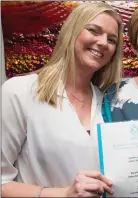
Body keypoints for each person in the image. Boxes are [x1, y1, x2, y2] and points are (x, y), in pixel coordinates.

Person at [1, 2, 123, 197]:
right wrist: (64, 194)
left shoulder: (109, 103)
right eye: (93, 30)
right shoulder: (20, 92)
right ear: (72, 32)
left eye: (112, 39)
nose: (103, 42)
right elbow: (2, 183)